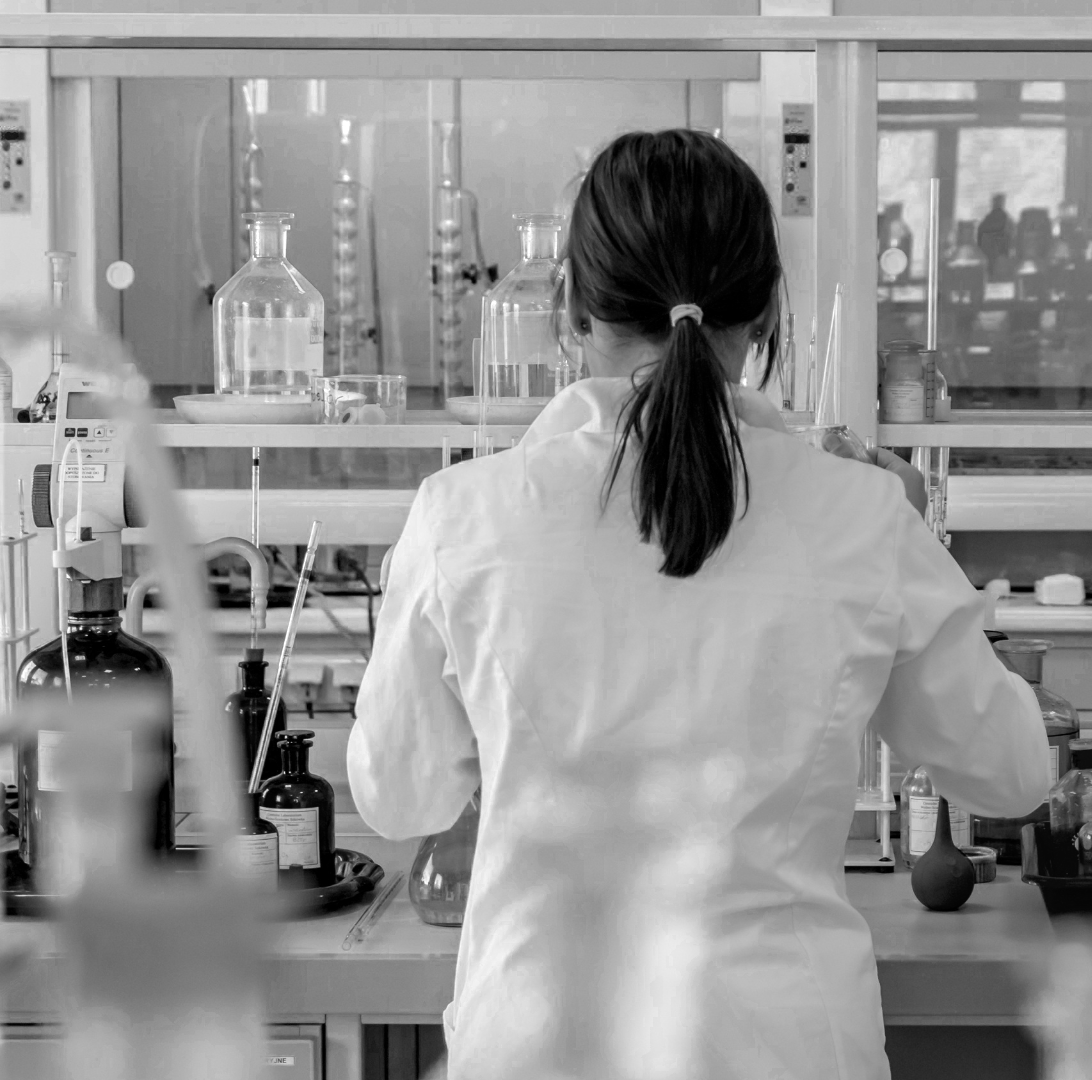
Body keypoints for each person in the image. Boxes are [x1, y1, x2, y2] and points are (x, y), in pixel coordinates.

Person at [348, 129, 1050, 1080]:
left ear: (572, 311)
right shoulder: (863, 513)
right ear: (763, 314)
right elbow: (1011, 776)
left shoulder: (464, 515)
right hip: (786, 1044)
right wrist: (923, 548)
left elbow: (401, 800)